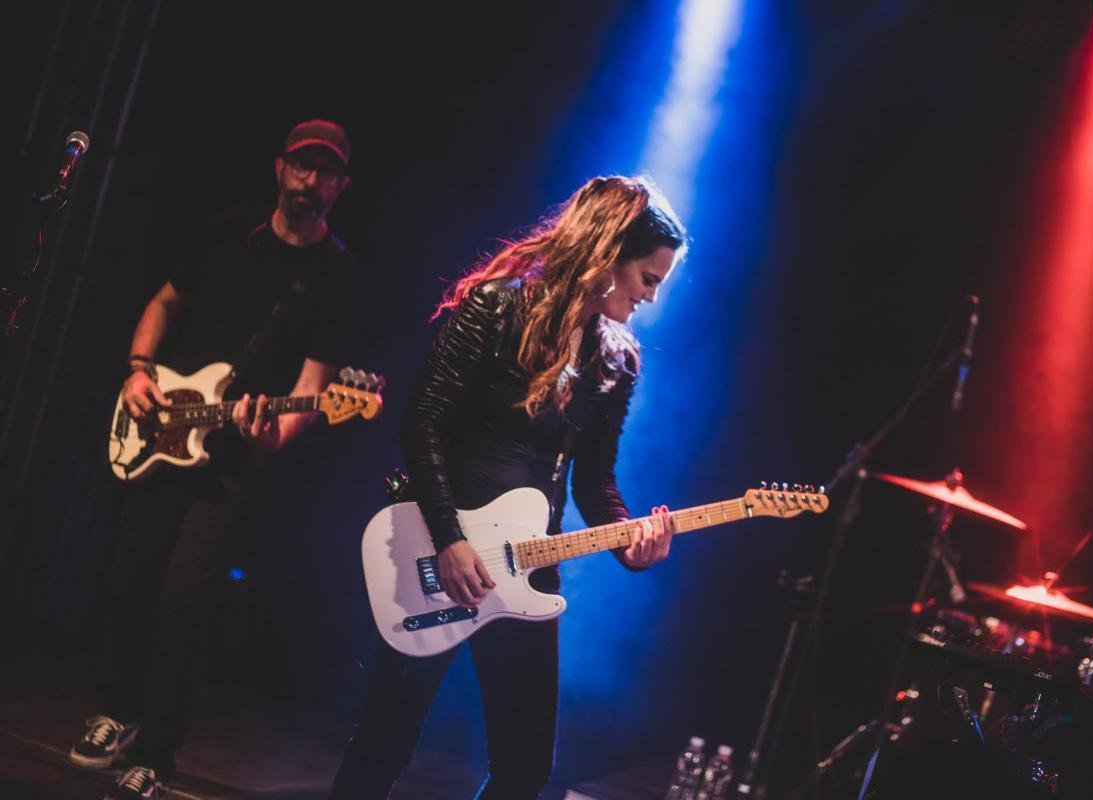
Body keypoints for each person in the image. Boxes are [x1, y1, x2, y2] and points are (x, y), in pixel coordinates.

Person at [329, 174, 687, 798]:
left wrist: (630, 542)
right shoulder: (497, 306)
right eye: (647, 278)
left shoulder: (615, 359)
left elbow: (594, 478)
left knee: (525, 768)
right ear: (607, 254)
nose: (651, 297)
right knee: (385, 743)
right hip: (441, 553)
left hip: (530, 568)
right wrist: (449, 538)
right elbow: (423, 421)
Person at [69, 119, 364, 800]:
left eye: (325, 172)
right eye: (301, 165)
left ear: (341, 187)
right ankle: (116, 712)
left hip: (233, 466)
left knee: (186, 602)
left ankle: (158, 753)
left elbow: (310, 393)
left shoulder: (339, 279)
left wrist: (271, 436)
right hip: (160, 431)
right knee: (131, 579)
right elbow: (163, 303)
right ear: (279, 168)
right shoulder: (228, 233)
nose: (310, 180)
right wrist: (137, 370)